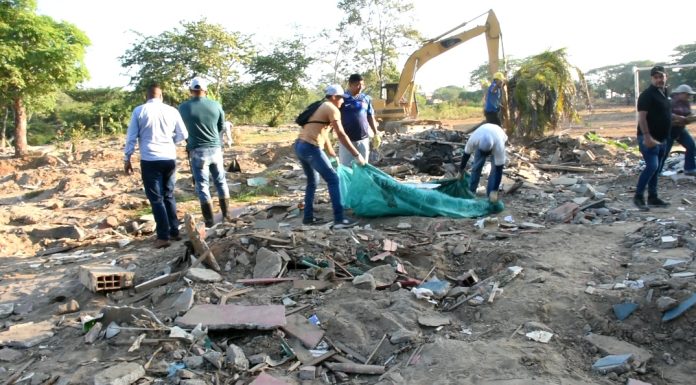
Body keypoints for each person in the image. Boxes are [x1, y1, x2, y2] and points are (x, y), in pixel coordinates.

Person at [124, 83, 188, 248]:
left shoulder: (139, 111)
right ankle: (174, 231)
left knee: (156, 199)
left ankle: (163, 236)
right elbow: (183, 134)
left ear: (146, 96)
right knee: (169, 195)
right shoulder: (172, 111)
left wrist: (127, 158)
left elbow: (131, 136)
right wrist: (170, 142)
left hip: (150, 159)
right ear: (161, 96)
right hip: (169, 158)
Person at [295, 84, 366, 228]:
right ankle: (340, 219)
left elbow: (324, 133)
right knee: (333, 179)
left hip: (299, 146)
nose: (342, 102)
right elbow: (341, 134)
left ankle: (308, 218)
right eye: (340, 98)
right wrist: (356, 154)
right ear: (334, 97)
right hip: (310, 147)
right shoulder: (332, 108)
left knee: (312, 182)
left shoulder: (320, 106)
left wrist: (332, 154)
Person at [178, 77, 232, 227]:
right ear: (205, 91)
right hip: (215, 149)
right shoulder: (216, 105)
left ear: (191, 91)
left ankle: (209, 221)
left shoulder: (183, 108)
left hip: (197, 151)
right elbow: (221, 126)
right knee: (221, 181)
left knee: (202, 186)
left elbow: (180, 130)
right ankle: (226, 216)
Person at [634, 65, 672, 211]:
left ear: (665, 77)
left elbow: (665, 114)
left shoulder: (665, 93)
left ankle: (653, 197)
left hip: (663, 139)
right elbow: (642, 118)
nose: (659, 80)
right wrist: (647, 137)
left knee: (657, 169)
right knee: (652, 166)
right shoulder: (647, 95)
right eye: (656, 77)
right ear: (651, 79)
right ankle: (638, 197)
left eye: (661, 77)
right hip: (648, 138)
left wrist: (680, 119)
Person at [338, 74, 381, 167]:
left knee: (363, 166)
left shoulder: (365, 98)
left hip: (363, 139)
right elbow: (334, 116)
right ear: (350, 84)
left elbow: (370, 116)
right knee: (346, 167)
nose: (360, 87)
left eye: (362, 85)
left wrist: (376, 133)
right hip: (346, 140)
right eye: (357, 85)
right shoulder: (342, 98)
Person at [459, 122, 507, 203]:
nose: (485, 155)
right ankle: (471, 191)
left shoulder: (499, 146)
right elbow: (466, 155)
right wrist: (460, 171)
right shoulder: (474, 139)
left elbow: (499, 169)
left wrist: (495, 190)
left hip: (499, 134)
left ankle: (490, 195)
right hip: (484, 131)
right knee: (476, 166)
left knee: (494, 171)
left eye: (487, 153)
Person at [665, 84, 696, 175]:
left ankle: (689, 169)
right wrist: (677, 117)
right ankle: (656, 171)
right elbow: (665, 114)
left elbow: (688, 114)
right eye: (687, 94)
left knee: (691, 145)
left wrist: (691, 118)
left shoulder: (686, 103)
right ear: (681, 94)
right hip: (669, 129)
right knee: (665, 151)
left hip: (680, 129)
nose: (689, 97)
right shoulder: (670, 102)